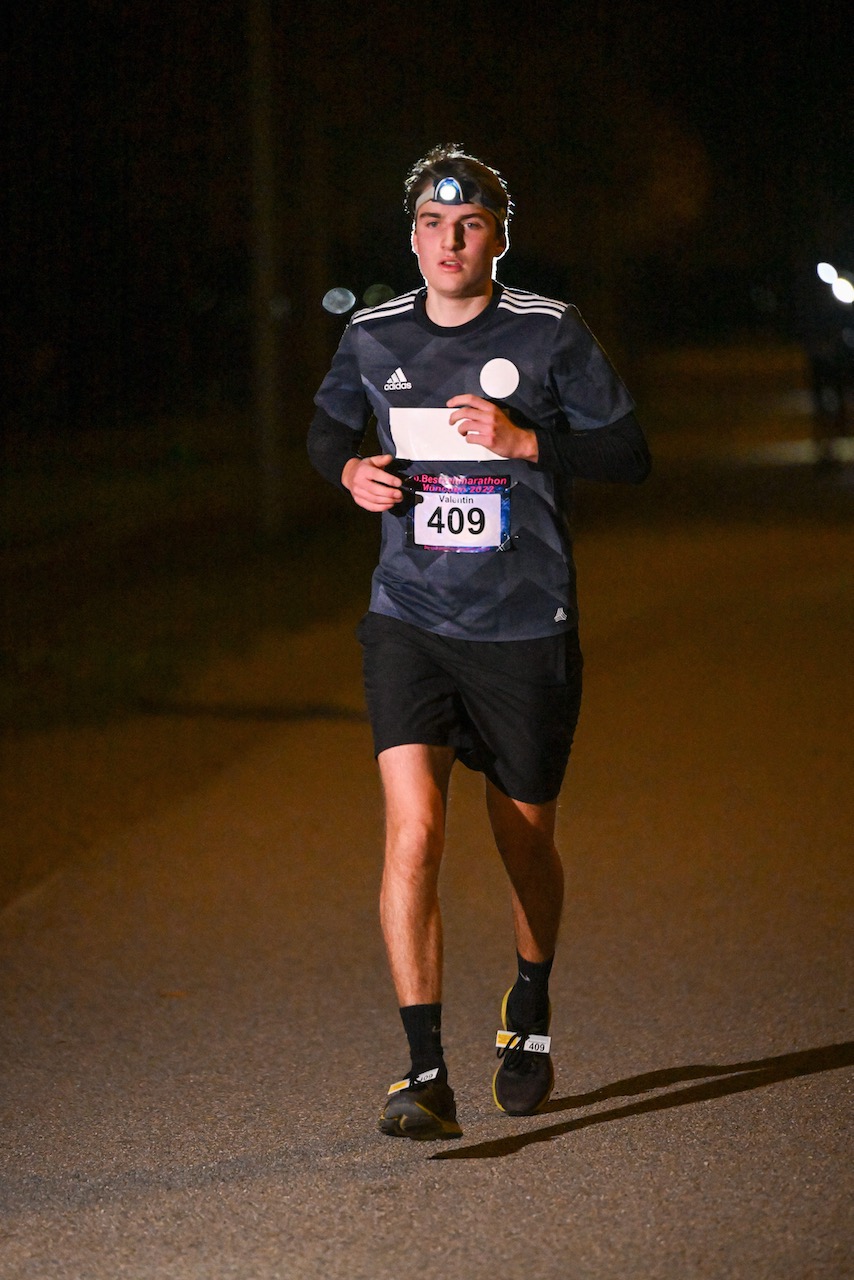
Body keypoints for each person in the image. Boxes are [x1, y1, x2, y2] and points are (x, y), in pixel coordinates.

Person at [308, 145, 651, 1141]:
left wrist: (526, 441)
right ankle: (422, 1071)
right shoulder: (373, 335)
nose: (447, 242)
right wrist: (349, 473)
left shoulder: (548, 332)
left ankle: (529, 1004)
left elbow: (629, 451)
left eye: (468, 226)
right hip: (409, 617)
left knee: (522, 838)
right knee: (412, 828)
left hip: (523, 624)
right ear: (409, 235)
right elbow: (329, 425)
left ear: (497, 236)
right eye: (429, 225)